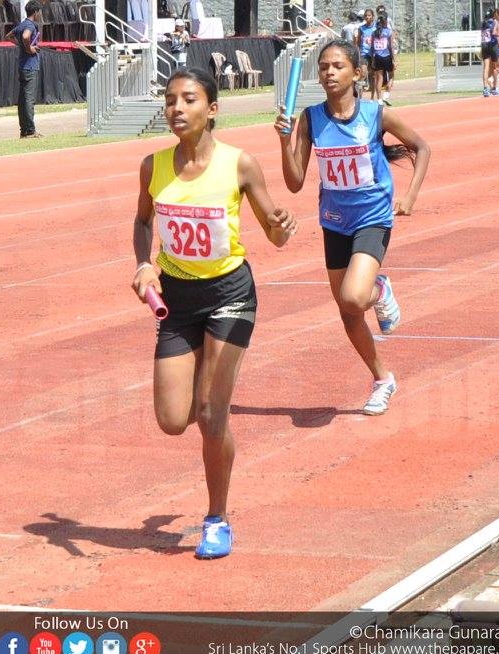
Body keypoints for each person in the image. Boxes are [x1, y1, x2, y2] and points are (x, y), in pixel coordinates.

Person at [131, 68, 297, 560]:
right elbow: (143, 220)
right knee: (172, 419)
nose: (177, 109)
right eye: (170, 100)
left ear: (213, 109)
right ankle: (203, 371)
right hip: (178, 302)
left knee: (209, 413)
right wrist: (143, 264)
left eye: (189, 99)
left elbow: (274, 234)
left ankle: (217, 519)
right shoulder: (152, 166)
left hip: (229, 295)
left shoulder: (239, 164)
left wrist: (282, 225)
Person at [275, 39, 430, 415]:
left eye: (338, 66)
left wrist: (410, 196)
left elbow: (421, 147)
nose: (329, 72)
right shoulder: (311, 119)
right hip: (334, 222)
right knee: (348, 311)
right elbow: (294, 183)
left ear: (357, 73)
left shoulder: (376, 114)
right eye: (323, 67)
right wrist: (284, 140)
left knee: (355, 297)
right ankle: (383, 379)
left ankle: (380, 287)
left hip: (372, 217)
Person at [10, 0, 42, 139]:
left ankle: (24, 130)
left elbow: (9, 36)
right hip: (30, 66)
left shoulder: (22, 24)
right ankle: (29, 130)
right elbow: (25, 36)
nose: (40, 14)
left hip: (23, 66)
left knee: (23, 99)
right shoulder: (30, 25)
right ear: (35, 12)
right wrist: (29, 49)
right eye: (39, 12)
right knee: (29, 99)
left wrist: (21, 46)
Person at [368, 11, 395, 105]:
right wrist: (394, 59)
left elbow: (372, 47)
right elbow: (391, 46)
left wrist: (372, 59)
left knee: (379, 78)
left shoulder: (374, 33)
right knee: (391, 76)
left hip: (377, 57)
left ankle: (379, 99)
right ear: (386, 20)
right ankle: (386, 93)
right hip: (387, 56)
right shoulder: (389, 32)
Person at [481, 8, 499, 96]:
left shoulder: (483, 23)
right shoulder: (495, 22)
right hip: (492, 46)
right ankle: (494, 88)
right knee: (495, 67)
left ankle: (485, 88)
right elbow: (494, 34)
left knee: (486, 68)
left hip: (484, 45)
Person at [355, 9, 376, 96]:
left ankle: (372, 97)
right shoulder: (361, 28)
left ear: (373, 16)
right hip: (364, 53)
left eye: (369, 15)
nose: (367, 17)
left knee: (373, 75)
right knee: (363, 73)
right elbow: (358, 42)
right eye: (366, 15)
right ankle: (359, 96)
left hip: (374, 54)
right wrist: (358, 53)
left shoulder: (376, 27)